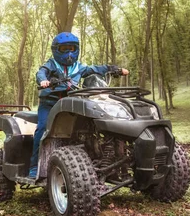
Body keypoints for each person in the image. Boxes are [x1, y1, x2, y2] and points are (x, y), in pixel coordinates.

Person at [28, 32, 129, 178]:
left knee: (85, 129)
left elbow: (95, 69)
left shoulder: (78, 67)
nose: (69, 53)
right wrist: (43, 81)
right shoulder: (50, 65)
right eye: (64, 49)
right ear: (56, 49)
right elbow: (41, 73)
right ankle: (34, 166)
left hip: (70, 105)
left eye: (72, 48)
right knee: (43, 128)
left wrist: (113, 69)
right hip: (50, 103)